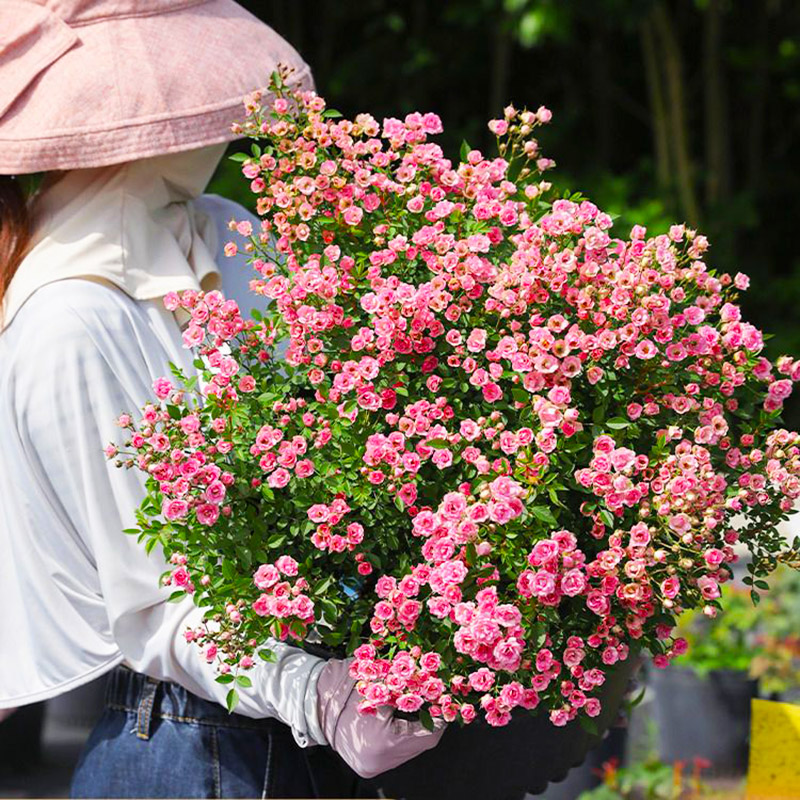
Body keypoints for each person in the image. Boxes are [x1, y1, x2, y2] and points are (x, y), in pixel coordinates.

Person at [0, 1, 443, 798]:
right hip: (187, 750)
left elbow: (331, 456)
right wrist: (315, 692)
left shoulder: (226, 232)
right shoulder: (72, 316)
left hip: (299, 737)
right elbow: (154, 602)